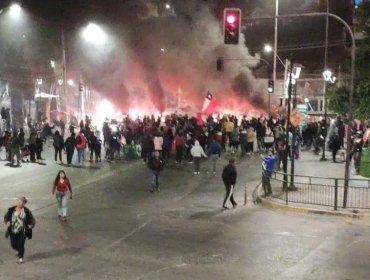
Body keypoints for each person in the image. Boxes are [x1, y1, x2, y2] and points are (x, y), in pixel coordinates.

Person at [4, 197, 36, 263]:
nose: (18, 203)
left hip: (22, 231)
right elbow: (6, 217)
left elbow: (32, 220)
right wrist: (7, 222)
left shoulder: (26, 211)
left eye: (21, 202)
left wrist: (31, 225)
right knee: (13, 245)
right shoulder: (12, 210)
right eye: (18, 201)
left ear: (24, 203)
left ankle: (21, 257)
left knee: (21, 244)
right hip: (13, 231)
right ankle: (19, 250)